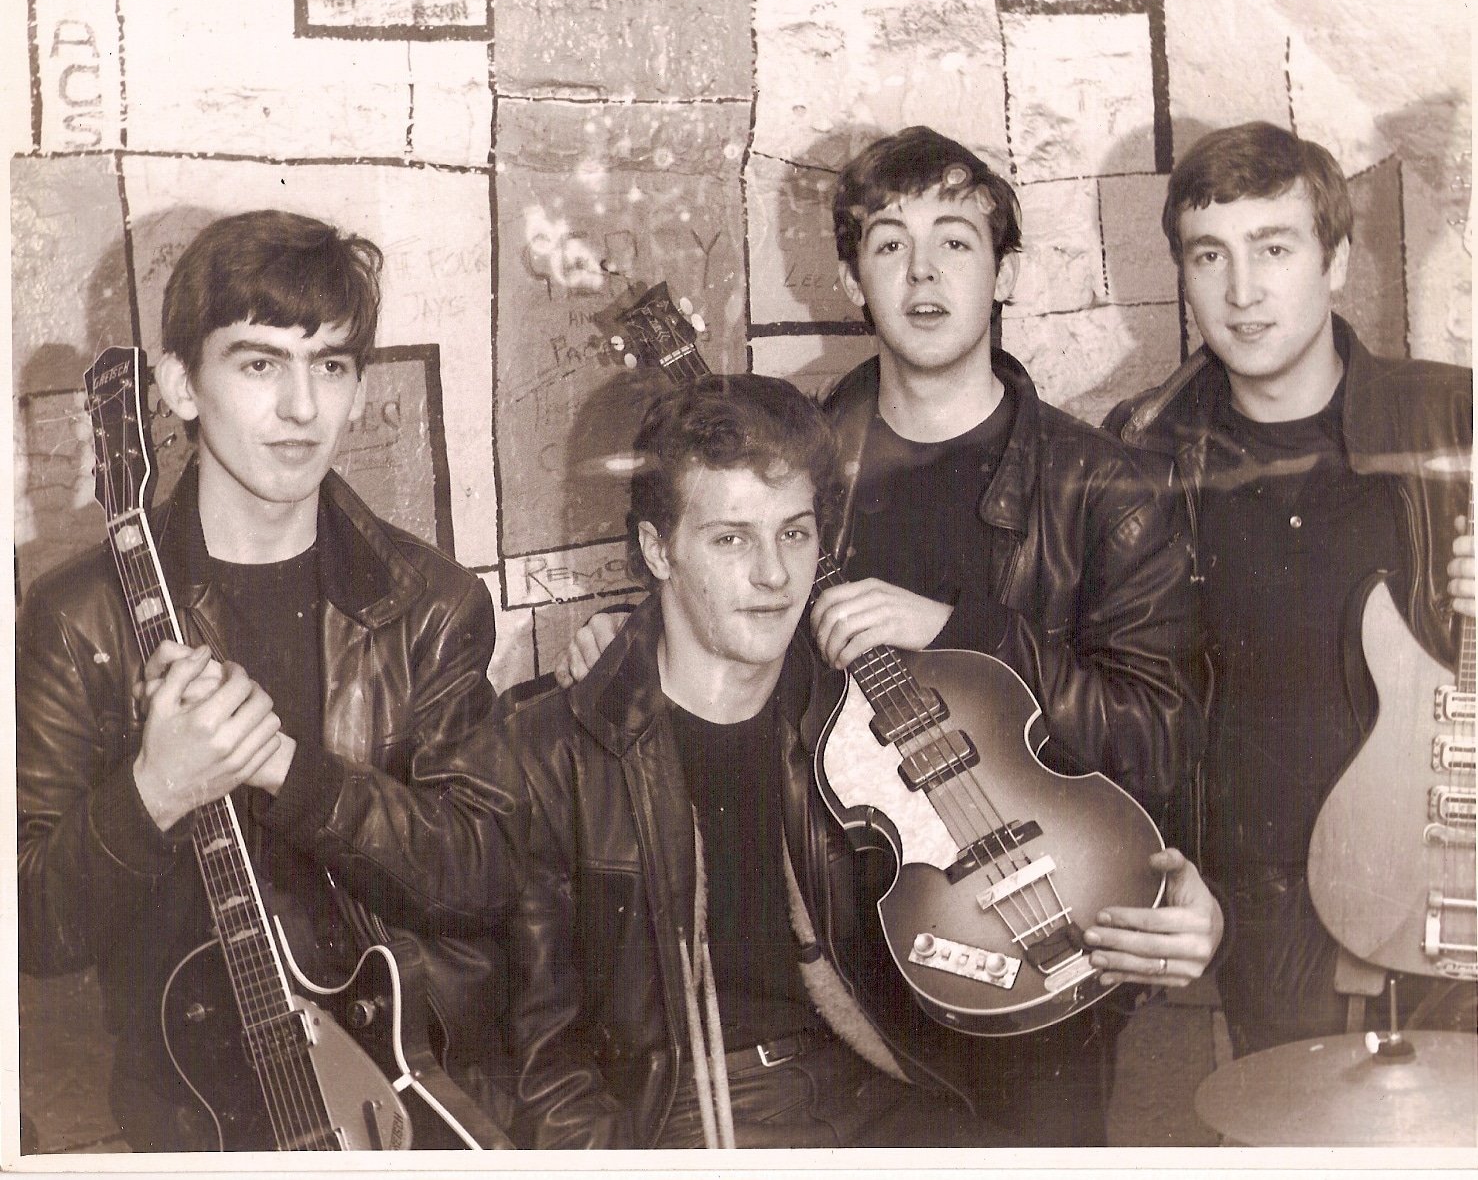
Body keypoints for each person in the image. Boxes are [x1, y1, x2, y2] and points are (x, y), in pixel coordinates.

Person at [553, 127, 1223, 1147]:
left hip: (1029, 946)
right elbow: (731, 624)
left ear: (1004, 272)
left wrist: (962, 631)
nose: (922, 273)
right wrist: (632, 636)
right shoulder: (793, 469)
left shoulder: (1105, 487)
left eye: (955, 241)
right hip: (835, 967)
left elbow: (1158, 737)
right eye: (888, 244)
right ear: (848, 277)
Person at [16, 210, 524, 1150]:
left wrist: (291, 772)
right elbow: (31, 928)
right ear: (181, 384)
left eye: (330, 365)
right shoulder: (78, 618)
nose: (301, 408)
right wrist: (154, 791)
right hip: (194, 1120)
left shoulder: (429, 603)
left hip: (396, 1100)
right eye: (259, 363)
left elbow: (486, 871)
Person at [499, 374, 1022, 1148]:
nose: (774, 575)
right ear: (658, 549)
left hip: (869, 1082)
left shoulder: (857, 709)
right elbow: (543, 1061)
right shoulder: (553, 747)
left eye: (795, 533)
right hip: (685, 1109)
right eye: (732, 538)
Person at [1105, 121, 1475, 1057]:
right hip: (1258, 916)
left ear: (1336, 260)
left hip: (1455, 876)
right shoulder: (1141, 452)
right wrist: (1165, 873)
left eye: (1273, 248)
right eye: (1209, 255)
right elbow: (1115, 698)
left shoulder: (1456, 415)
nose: (1242, 291)